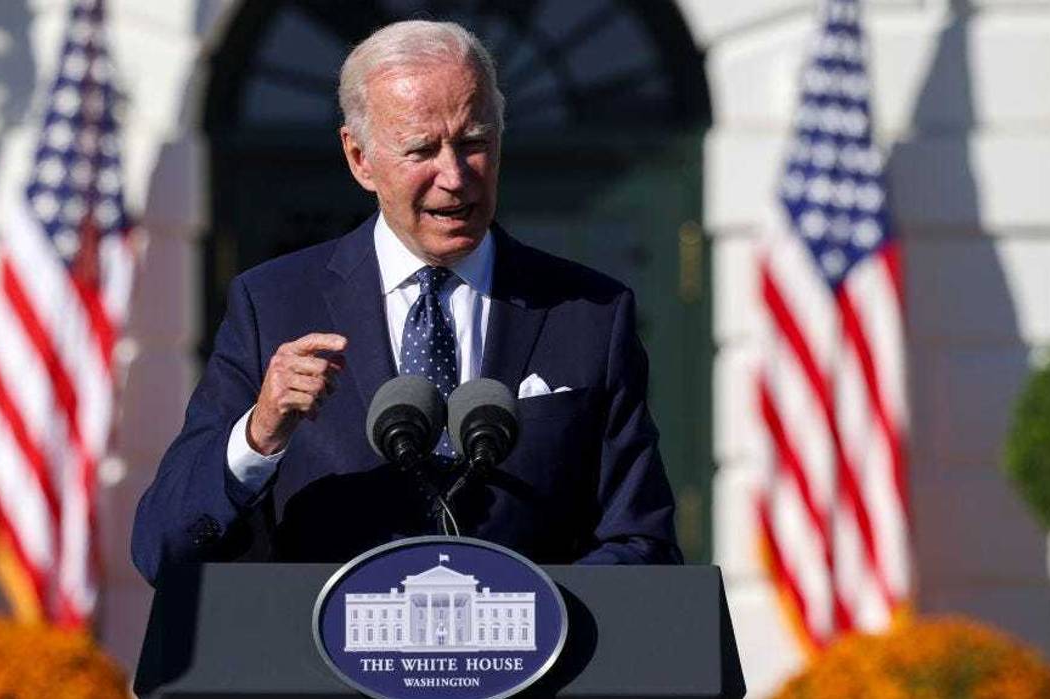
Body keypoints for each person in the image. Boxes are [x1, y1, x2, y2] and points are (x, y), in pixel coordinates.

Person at [131, 20, 681, 584]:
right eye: (422, 149)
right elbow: (164, 549)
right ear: (359, 158)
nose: (456, 176)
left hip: (531, 661)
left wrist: (527, 617)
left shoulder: (588, 313)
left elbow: (642, 541)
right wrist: (259, 434)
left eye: (474, 143)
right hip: (323, 663)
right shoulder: (272, 305)